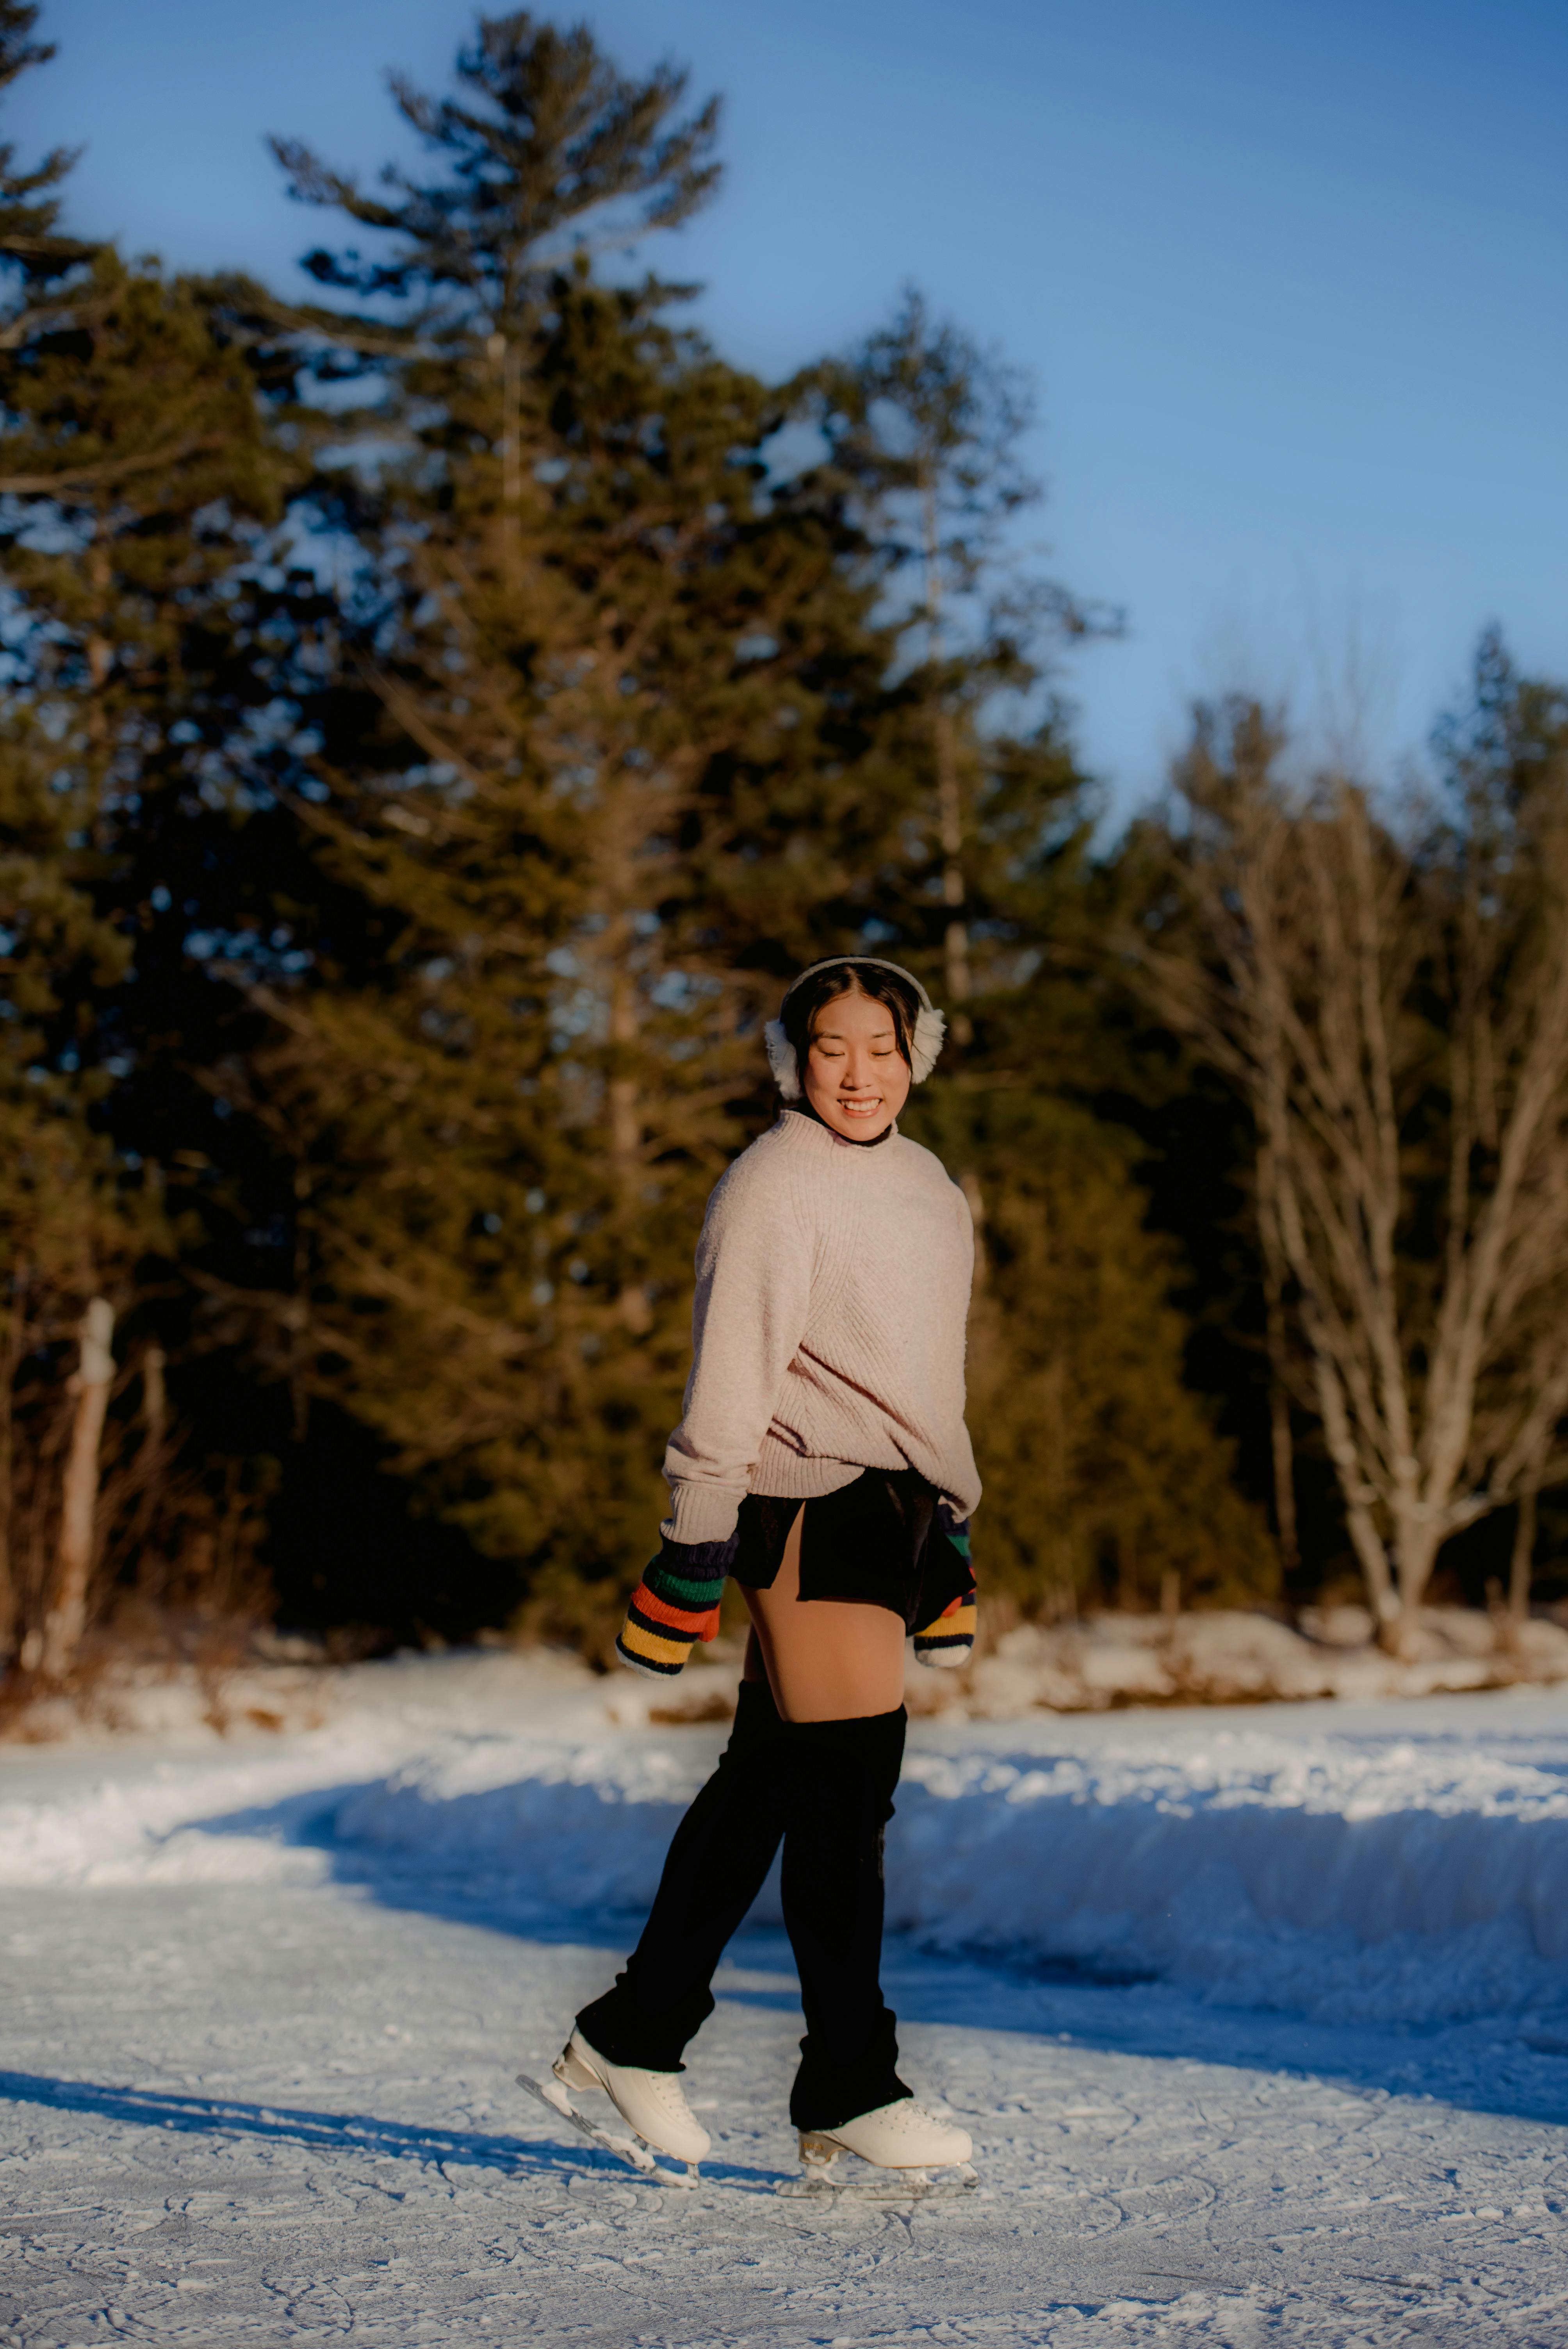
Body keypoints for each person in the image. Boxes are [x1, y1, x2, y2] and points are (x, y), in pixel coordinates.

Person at [549, 957, 980, 2180]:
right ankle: (849, 2077)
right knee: (848, 1798)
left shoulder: (932, 1188)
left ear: (918, 1055)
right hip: (805, 1502)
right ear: (796, 1062)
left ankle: (635, 2032)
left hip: (890, 1509)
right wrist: (695, 1537)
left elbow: (928, 1381)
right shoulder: (775, 1184)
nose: (860, 1072)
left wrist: (950, 1517)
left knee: (774, 1782)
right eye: (833, 1048)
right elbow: (731, 1371)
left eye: (883, 1047)